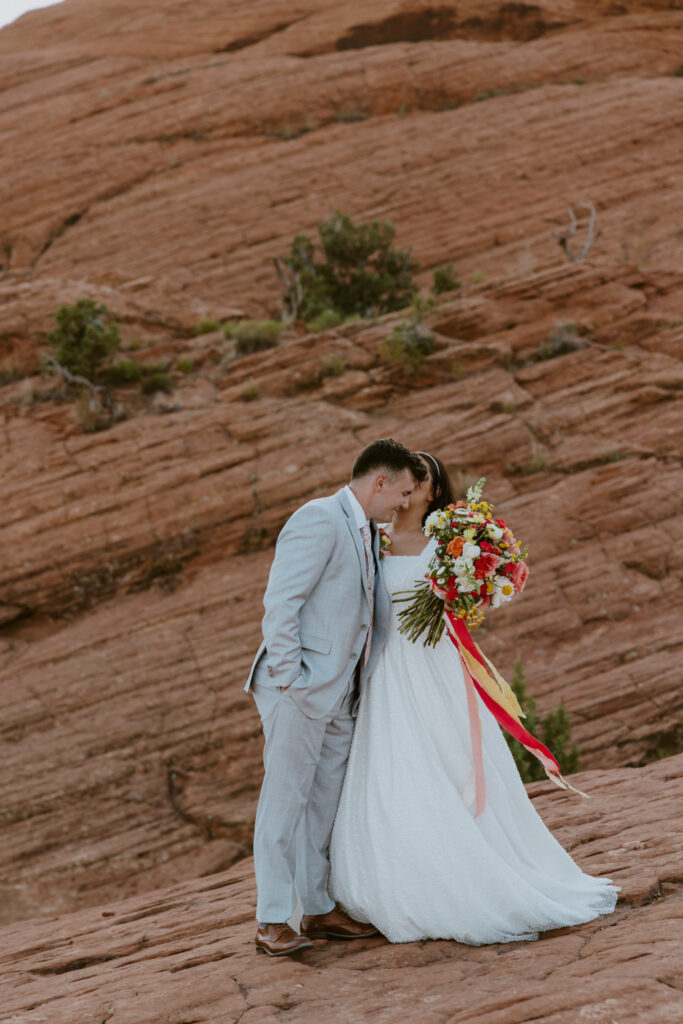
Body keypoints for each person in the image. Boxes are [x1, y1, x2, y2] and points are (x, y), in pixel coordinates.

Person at [330, 451, 619, 944]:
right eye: (407, 476)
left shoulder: (448, 542)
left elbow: (464, 600)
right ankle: (393, 875)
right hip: (385, 670)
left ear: (431, 491)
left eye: (420, 478)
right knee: (391, 767)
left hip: (432, 666)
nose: (410, 484)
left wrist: (469, 584)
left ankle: (469, 874)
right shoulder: (372, 537)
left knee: (443, 759)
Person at [244, 438, 428, 956]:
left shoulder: (368, 531)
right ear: (380, 482)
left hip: (343, 694)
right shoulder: (319, 518)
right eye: (402, 493)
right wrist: (290, 680)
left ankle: (318, 909)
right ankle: (272, 919)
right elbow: (281, 602)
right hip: (301, 689)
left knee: (323, 804)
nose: (403, 504)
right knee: (284, 801)